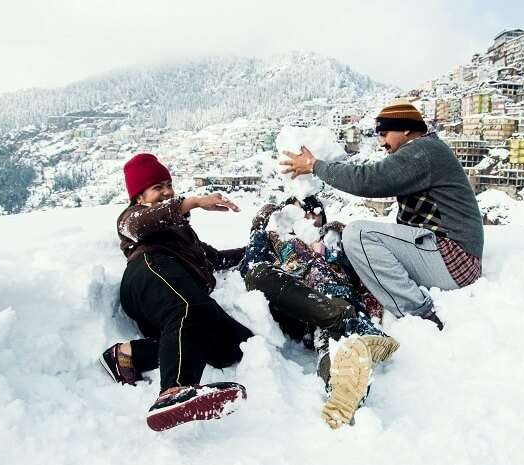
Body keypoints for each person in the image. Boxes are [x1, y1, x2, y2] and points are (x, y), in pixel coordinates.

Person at [280, 100, 484, 327]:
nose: (381, 143)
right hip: (446, 255)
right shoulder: (426, 150)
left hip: (453, 259)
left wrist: (315, 165)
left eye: (385, 134)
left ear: (406, 129)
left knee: (357, 234)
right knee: (344, 235)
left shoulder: (423, 151)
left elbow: (368, 180)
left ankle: (420, 313)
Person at [99, 153, 253, 431]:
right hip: (148, 274)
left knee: (235, 346)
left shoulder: (182, 233)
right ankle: (174, 391)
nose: (167, 191)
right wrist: (192, 202)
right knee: (194, 309)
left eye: (169, 185)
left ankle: (127, 355)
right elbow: (144, 223)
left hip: (176, 289)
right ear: (139, 197)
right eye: (158, 187)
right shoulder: (131, 218)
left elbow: (215, 259)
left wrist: (255, 249)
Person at [239, 195, 400, 429]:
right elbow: (251, 264)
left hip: (338, 296)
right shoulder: (277, 239)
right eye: (302, 212)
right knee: (262, 276)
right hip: (299, 299)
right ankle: (362, 332)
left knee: (329, 340)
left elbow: (362, 269)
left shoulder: (333, 239)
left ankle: (342, 389)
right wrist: (258, 226)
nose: (309, 217)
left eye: (314, 212)